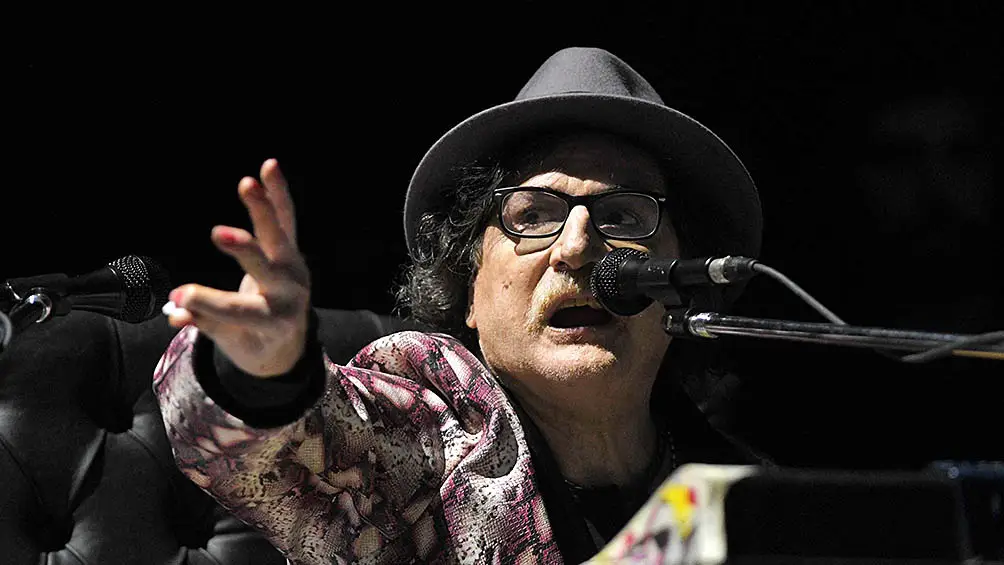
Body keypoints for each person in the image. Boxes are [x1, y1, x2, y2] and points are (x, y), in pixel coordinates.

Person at [154, 47, 767, 564]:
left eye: (625, 217)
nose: (578, 247)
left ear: (683, 281)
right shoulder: (432, 432)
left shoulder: (749, 493)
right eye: (534, 215)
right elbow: (284, 445)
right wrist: (263, 372)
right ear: (467, 286)